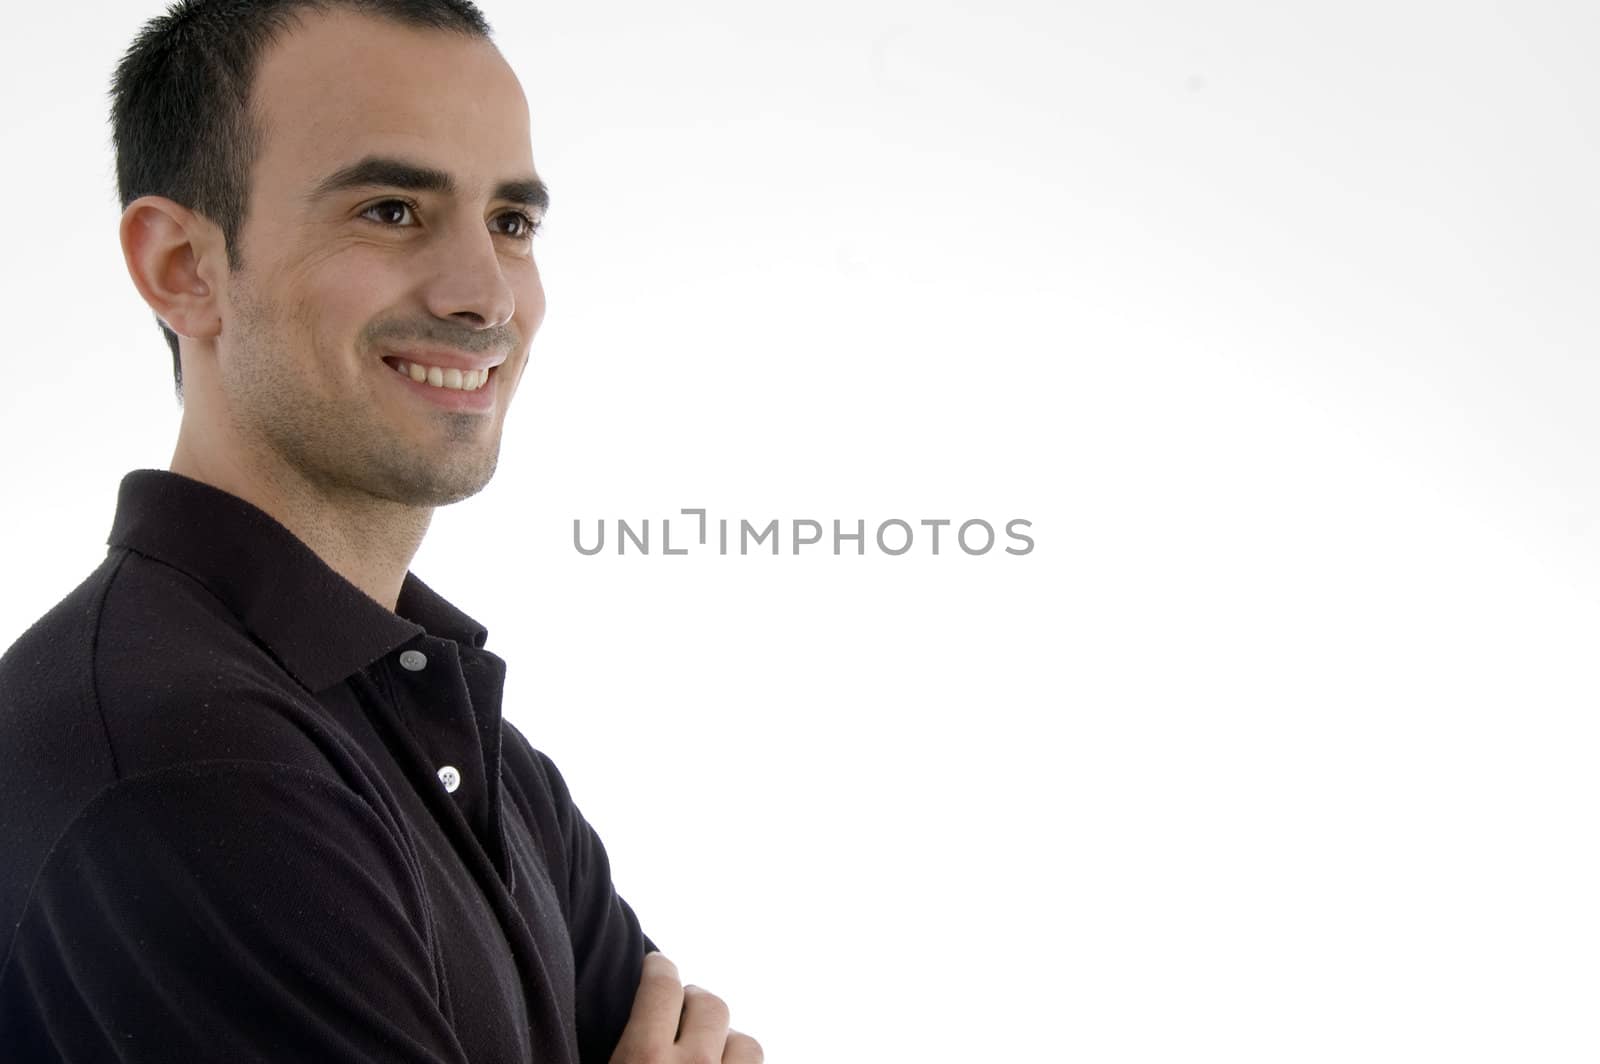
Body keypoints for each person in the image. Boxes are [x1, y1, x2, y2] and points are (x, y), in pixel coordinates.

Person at [0, 2, 761, 1061]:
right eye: (392, 210)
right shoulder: (190, 768)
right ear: (183, 265)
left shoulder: (467, 743)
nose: (484, 293)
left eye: (511, 222)